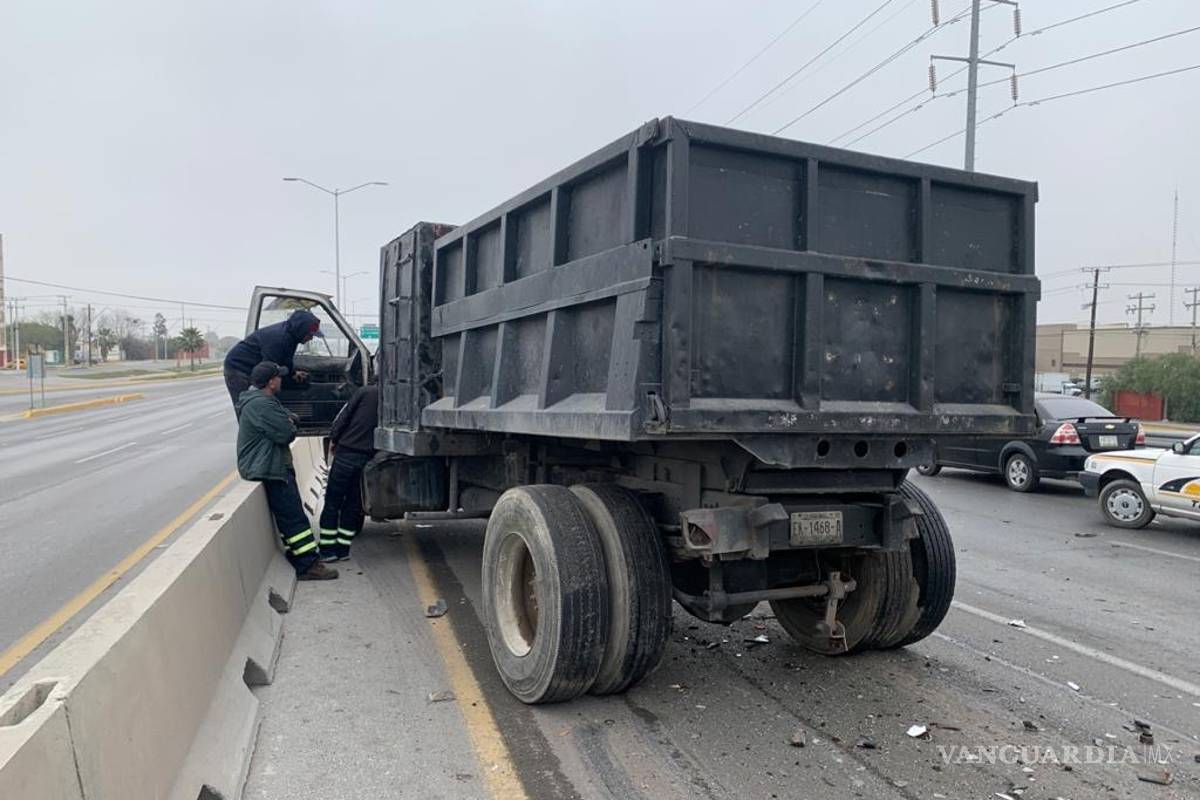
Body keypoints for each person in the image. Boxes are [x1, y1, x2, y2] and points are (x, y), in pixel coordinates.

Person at [236, 361, 338, 581]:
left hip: (271, 465)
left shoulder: (263, 401)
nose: (282, 380)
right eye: (279, 377)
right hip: (269, 467)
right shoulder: (261, 405)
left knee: (290, 516)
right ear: (271, 381)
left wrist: (290, 420)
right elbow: (285, 432)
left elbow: (291, 417)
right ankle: (308, 564)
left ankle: (299, 556)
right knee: (294, 518)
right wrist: (290, 423)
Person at [318, 383, 379, 561]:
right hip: (367, 458)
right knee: (353, 505)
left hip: (347, 453)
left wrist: (334, 439)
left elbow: (343, 417)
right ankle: (343, 550)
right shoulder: (394, 397)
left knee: (332, 503)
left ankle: (327, 551)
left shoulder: (365, 392)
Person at [224, 308, 323, 411]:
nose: (311, 338)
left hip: (254, 366)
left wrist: (293, 374)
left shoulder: (291, 336)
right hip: (239, 369)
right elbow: (270, 371)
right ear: (301, 331)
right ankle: (251, 425)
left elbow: (285, 361)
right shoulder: (278, 339)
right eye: (310, 334)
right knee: (249, 409)